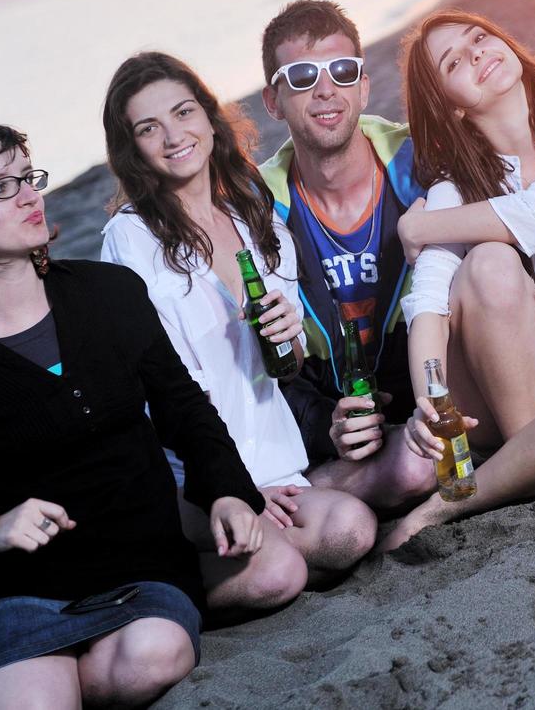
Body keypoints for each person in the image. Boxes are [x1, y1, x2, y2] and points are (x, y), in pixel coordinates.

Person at [0, 123, 265, 708]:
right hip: (13, 591)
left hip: (139, 564)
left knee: (154, 657)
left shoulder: (110, 294)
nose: (29, 195)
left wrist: (228, 489)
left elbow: (184, 408)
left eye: (27, 177)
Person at [101, 52, 375, 606]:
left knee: (351, 529)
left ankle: (264, 552)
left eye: (183, 112)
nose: (174, 136)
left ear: (208, 115)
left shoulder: (258, 220)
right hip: (191, 479)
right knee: (277, 576)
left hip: (277, 458)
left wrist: (290, 332)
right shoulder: (129, 238)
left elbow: (287, 366)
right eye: (148, 128)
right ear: (132, 148)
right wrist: (235, 486)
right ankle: (170, 584)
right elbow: (148, 390)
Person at [379, 9, 535, 549]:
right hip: (499, 402)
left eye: (480, 37)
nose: (477, 52)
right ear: (450, 104)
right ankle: (531, 457)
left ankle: (452, 502)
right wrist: (432, 392)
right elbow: (426, 300)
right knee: (490, 263)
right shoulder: (455, 188)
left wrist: (419, 224)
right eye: (454, 61)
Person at [258, 0, 437, 510]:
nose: (324, 90)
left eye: (341, 70)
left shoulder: (419, 160)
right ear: (273, 101)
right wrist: (323, 429)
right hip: (335, 418)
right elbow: (261, 359)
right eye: (300, 77)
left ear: (362, 85)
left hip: (435, 386)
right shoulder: (257, 207)